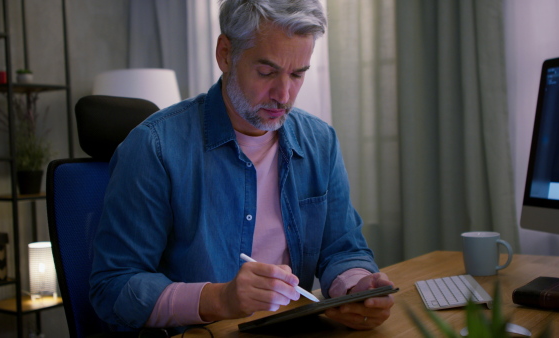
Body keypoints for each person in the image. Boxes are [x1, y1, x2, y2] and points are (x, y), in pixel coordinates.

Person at [90, 0, 394, 333]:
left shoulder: (320, 142)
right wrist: (219, 300)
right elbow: (113, 288)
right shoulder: (155, 147)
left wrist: (355, 288)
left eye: (297, 74)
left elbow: (342, 247)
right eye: (267, 72)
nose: (284, 94)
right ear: (225, 54)